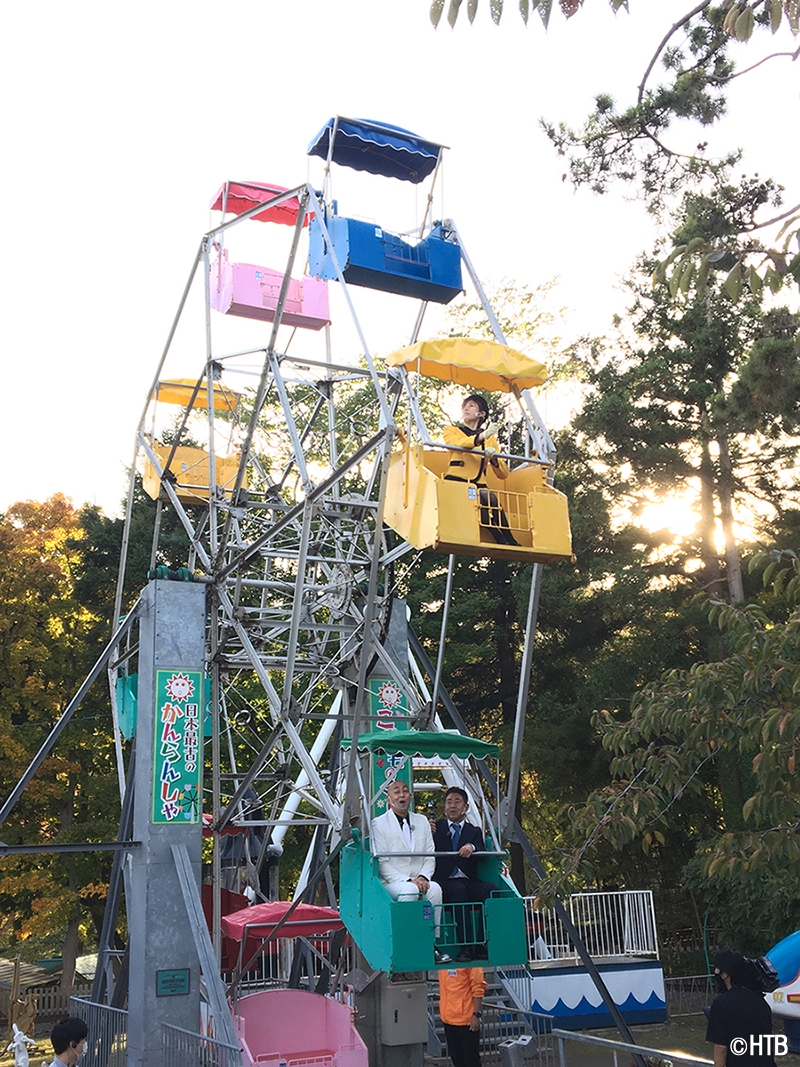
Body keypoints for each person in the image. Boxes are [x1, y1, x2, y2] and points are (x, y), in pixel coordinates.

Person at [371, 779, 451, 963]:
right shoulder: (378, 824)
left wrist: (423, 876)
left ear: (410, 796)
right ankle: (407, 942)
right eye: (396, 792)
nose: (401, 795)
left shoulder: (421, 821)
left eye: (405, 791)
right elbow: (382, 862)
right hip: (393, 882)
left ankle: (431, 943)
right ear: (389, 799)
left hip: (419, 878)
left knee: (435, 889)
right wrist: (408, 880)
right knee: (410, 890)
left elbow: (429, 855)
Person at [443, 395, 519, 547]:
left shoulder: (489, 439)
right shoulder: (451, 431)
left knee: (492, 502)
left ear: (481, 414)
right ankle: (501, 539)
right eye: (464, 406)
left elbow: (503, 473)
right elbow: (458, 443)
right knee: (480, 506)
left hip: (478, 482)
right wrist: (483, 436)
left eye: (471, 406)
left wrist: (494, 459)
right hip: (457, 481)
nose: (465, 408)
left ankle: (509, 539)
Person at [433, 787, 498, 961]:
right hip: (445, 881)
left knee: (491, 890)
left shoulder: (473, 831)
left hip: (468, 880)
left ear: (466, 807)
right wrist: (427, 830)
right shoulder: (436, 828)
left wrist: (472, 847)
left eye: (457, 802)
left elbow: (481, 850)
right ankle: (466, 946)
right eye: (449, 802)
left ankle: (483, 943)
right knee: (458, 891)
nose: (452, 806)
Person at [706, 949, 776, 1067]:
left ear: (725, 974)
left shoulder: (721, 1003)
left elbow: (721, 1047)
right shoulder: (760, 1000)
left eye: (717, 968)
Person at [438, 965, 487, 1067]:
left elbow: (478, 988)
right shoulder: (444, 962)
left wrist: (476, 1015)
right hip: (448, 1018)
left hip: (466, 1021)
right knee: (456, 1059)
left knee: (471, 1060)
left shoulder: (472, 963)